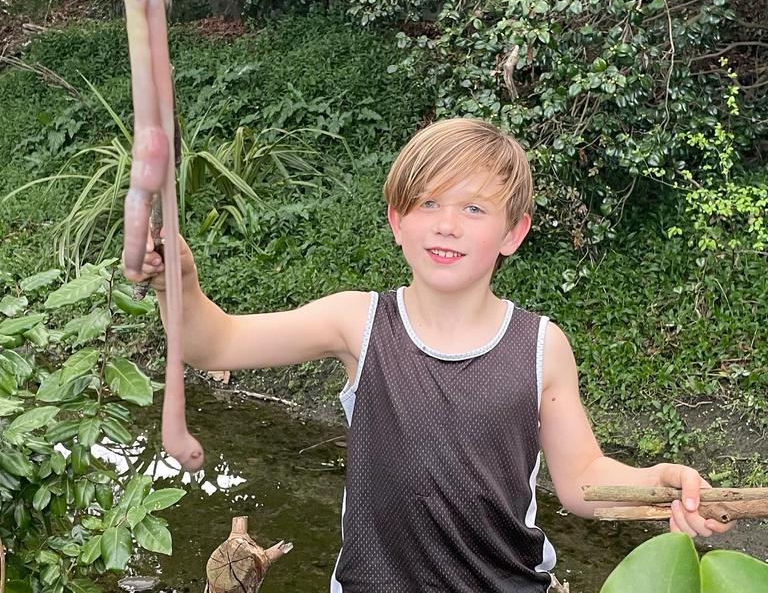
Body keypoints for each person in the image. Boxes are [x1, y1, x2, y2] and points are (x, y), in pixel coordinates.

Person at [127, 118, 732, 593]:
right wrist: (175, 281)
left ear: (513, 233)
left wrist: (659, 485)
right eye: (427, 205)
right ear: (396, 221)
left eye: (474, 209)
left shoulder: (543, 345)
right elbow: (215, 342)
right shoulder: (355, 322)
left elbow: (582, 483)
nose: (447, 225)